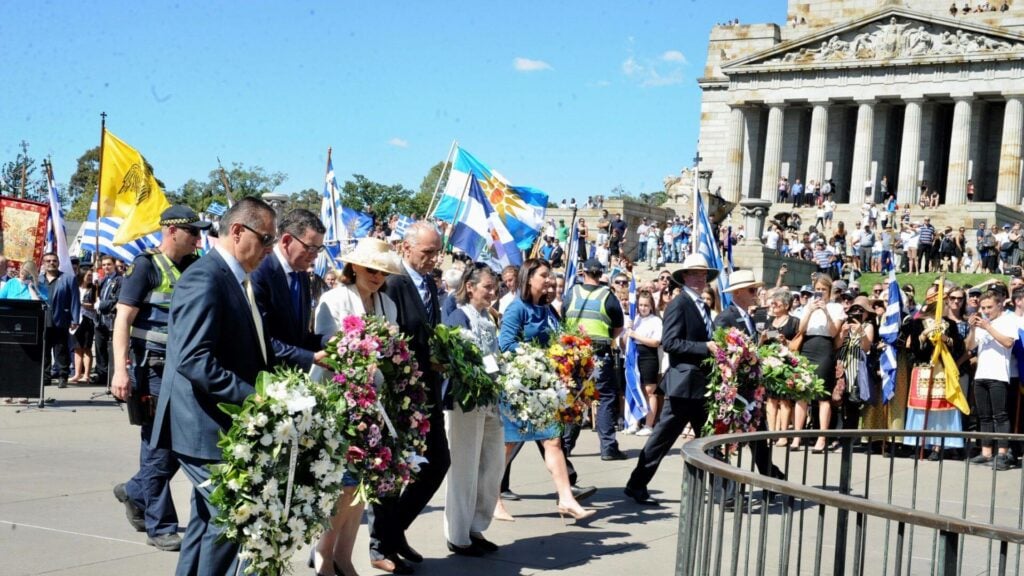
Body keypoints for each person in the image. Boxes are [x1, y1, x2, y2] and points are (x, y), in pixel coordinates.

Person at [151, 197, 276, 575]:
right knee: (232, 518)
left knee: (208, 521)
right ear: (238, 231)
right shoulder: (205, 276)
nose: (269, 250)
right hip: (200, 426)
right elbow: (193, 358)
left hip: (217, 425)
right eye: (266, 239)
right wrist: (254, 398)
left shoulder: (235, 279)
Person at [110, 206, 210, 553]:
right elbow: (122, 320)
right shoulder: (145, 266)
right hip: (151, 370)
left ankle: (135, 491)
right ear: (171, 231)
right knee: (157, 446)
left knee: (174, 446)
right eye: (193, 232)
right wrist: (120, 370)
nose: (199, 238)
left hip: (185, 371)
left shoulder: (195, 266)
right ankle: (160, 526)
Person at [311, 237, 402, 576]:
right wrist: (360, 360)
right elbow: (324, 349)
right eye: (370, 268)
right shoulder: (333, 299)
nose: (377, 276)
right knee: (343, 483)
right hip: (340, 399)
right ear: (353, 267)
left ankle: (345, 556)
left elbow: (394, 352)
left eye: (382, 270)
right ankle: (324, 554)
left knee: (364, 482)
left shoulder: (387, 305)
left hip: (376, 404)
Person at [370, 222, 449, 575]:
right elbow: (392, 337)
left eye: (436, 252)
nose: (432, 259)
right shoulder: (395, 283)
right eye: (426, 252)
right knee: (393, 468)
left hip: (426, 389)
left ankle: (394, 530)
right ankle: (380, 543)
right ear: (405, 247)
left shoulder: (429, 282)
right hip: (399, 392)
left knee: (437, 461)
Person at [497, 258, 596, 521]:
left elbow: (560, 340)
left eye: (550, 275)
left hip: (545, 389)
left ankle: (566, 499)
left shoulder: (549, 309)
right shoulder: (516, 308)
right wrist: (539, 356)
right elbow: (505, 344)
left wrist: (574, 352)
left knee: (553, 441)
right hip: (522, 390)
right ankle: (492, 499)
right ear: (529, 279)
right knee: (508, 445)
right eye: (544, 275)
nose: (550, 280)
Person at [624, 254, 720, 506]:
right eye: (695, 274)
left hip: (700, 384)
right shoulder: (680, 304)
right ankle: (636, 483)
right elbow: (671, 343)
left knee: (710, 437)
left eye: (703, 274)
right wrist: (705, 347)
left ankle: (724, 490)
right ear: (685, 276)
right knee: (663, 438)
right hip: (683, 383)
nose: (701, 278)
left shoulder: (702, 305)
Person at [443, 265, 504, 557]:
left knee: (491, 465)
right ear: (470, 287)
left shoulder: (488, 318)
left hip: (490, 398)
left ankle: (476, 525)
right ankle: (458, 534)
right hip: (465, 400)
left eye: (495, 289)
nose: (492, 294)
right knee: (465, 467)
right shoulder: (458, 315)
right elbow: (458, 359)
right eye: (487, 288)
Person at [564, 258, 626, 460]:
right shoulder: (608, 296)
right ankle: (608, 447)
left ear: (584, 273)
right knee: (605, 398)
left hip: (574, 355)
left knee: (574, 398)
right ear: (601, 274)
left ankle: (565, 445)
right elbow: (618, 327)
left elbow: (563, 317)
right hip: (599, 354)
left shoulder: (571, 293)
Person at [250, 208, 327, 372]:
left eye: (319, 249)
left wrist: (332, 342)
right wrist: (309, 358)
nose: (315, 256)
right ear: (286, 240)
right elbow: (260, 340)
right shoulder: (259, 273)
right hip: (264, 379)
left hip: (293, 379)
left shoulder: (302, 275)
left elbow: (299, 337)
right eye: (311, 248)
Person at [966, 289, 1018, 470]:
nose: (986, 311)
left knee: (1000, 415)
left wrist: (988, 327)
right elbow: (970, 346)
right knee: (984, 416)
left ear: (999, 304)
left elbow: (1008, 342)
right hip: (981, 374)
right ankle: (986, 451)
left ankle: (1003, 453)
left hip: (999, 374)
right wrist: (973, 328)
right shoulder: (983, 323)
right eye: (983, 308)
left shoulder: (1008, 320)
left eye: (989, 307)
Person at [794, 275, 845, 452]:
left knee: (823, 395)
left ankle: (822, 438)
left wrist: (825, 311)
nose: (821, 292)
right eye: (818, 289)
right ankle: (797, 436)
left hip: (824, 348)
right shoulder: (807, 306)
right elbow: (800, 330)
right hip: (808, 346)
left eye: (824, 289)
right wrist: (809, 310)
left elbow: (833, 332)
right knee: (802, 392)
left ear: (829, 291)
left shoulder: (836, 308)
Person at [762, 288, 801, 445]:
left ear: (786, 305)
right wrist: (763, 338)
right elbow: (760, 343)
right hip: (769, 362)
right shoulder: (768, 322)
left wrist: (786, 342)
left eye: (776, 302)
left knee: (785, 400)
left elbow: (798, 344)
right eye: (772, 302)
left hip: (787, 362)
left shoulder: (794, 322)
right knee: (771, 399)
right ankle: (772, 433)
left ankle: (783, 434)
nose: (773, 305)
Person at [37, 252, 80, 388]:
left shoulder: (68, 278)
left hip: (60, 318)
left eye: (54, 260)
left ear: (58, 263)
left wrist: (75, 318)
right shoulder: (37, 279)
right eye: (48, 261)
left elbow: (75, 300)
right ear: (43, 263)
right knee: (44, 349)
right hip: (43, 319)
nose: (51, 263)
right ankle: (45, 376)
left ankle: (63, 376)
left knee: (61, 349)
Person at [95, 256, 123, 388]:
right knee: (100, 349)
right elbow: (93, 296)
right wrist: (92, 284)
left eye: (109, 265)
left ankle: (111, 376)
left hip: (111, 320)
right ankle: (102, 375)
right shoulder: (103, 280)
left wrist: (102, 305)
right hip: (100, 320)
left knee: (111, 350)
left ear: (114, 265)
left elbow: (117, 300)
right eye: (104, 265)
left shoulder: (120, 280)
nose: (106, 267)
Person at [71, 268, 97, 384]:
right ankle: (77, 374)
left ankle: (86, 374)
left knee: (86, 348)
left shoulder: (94, 289)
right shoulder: (76, 288)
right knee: (77, 348)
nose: (90, 278)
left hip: (88, 320)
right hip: (76, 320)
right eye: (88, 275)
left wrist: (81, 304)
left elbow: (96, 305)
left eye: (91, 276)